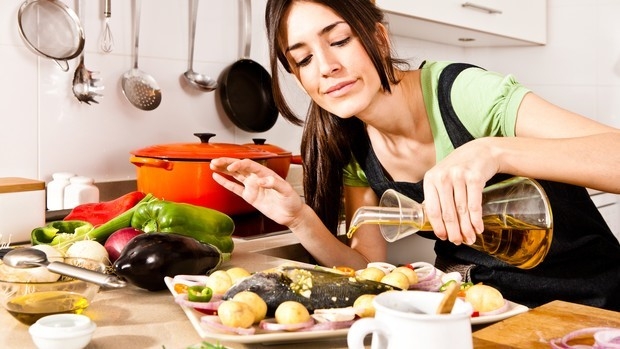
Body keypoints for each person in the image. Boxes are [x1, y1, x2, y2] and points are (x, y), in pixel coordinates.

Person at [210, 0, 620, 311]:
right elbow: (365, 263)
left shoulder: (463, 95)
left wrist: (492, 150)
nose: (327, 66)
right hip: (475, 312)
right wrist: (298, 216)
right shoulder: (353, 145)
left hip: (586, 308)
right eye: (303, 59)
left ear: (379, 37)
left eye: (338, 41)